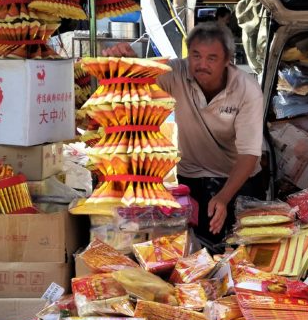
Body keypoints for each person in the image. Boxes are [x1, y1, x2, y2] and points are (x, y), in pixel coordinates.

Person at [103, 23, 264, 247]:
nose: (202, 64)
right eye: (196, 56)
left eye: (212, 58)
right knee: (194, 249)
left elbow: (249, 154)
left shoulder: (247, 89)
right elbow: (142, 78)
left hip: (237, 179)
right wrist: (130, 59)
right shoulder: (176, 72)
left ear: (228, 60)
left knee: (237, 248)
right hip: (192, 175)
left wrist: (223, 197)